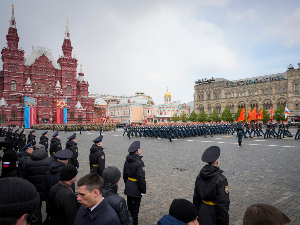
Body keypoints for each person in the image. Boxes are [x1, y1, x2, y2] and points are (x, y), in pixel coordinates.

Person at [193, 146, 230, 225]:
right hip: (214, 213)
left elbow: (196, 197)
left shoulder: (200, 176)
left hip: (201, 210)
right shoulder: (221, 179)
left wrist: (196, 214)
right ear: (217, 162)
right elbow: (223, 206)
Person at [25, 144, 54, 225]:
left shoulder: (28, 161)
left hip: (34, 189)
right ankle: (49, 220)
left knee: (37, 209)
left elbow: (25, 176)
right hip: (47, 189)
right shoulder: (50, 160)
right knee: (50, 206)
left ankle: (38, 223)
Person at [123, 141, 146, 225]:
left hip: (129, 186)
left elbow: (124, 175)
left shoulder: (127, 160)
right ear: (137, 151)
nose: (140, 150)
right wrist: (143, 190)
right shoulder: (139, 163)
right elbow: (141, 179)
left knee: (130, 208)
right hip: (136, 189)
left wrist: (128, 184)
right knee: (135, 211)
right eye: (140, 148)